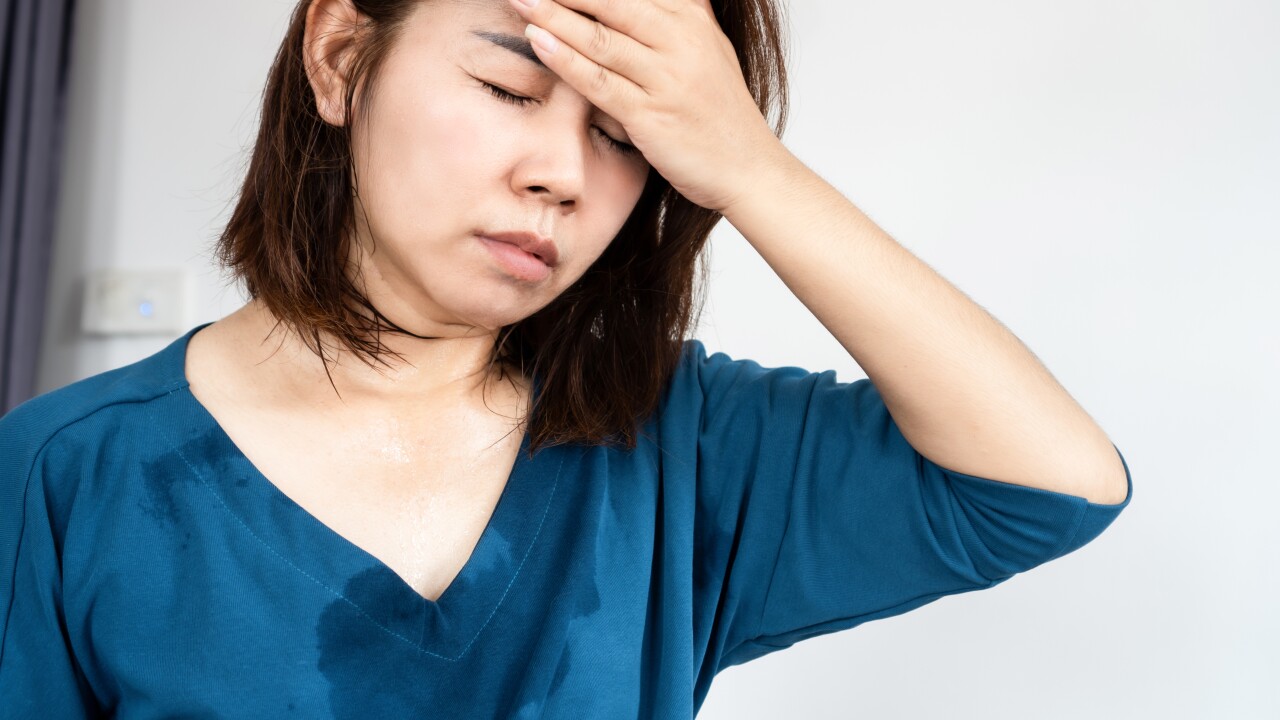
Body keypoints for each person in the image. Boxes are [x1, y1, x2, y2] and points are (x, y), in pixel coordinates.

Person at [0, 0, 1133, 716]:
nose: (562, 174)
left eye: (626, 136)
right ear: (341, 56)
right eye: (506, 88)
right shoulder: (66, 473)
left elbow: (1045, 488)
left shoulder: (677, 441)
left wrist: (751, 169)